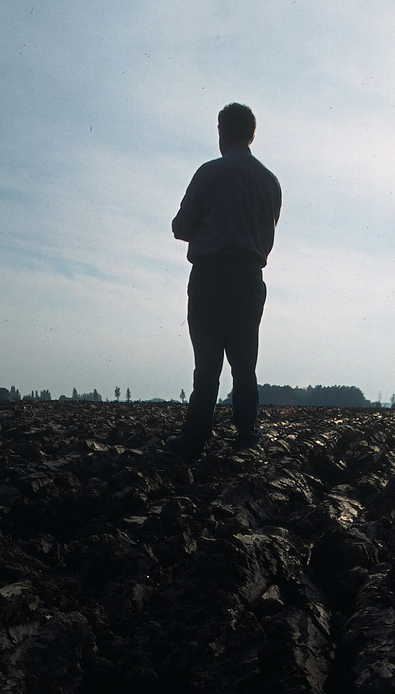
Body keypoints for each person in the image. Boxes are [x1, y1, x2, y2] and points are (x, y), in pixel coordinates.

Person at [165, 102, 282, 456]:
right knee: (245, 364)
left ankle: (196, 436)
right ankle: (247, 436)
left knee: (207, 364)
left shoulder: (210, 172)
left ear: (222, 130)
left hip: (211, 276)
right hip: (249, 277)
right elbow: (267, 234)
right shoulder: (270, 182)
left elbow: (181, 226)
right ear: (252, 134)